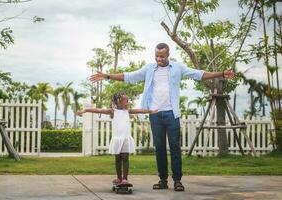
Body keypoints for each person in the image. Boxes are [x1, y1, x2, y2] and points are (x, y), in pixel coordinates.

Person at [89, 43, 235, 191]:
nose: (159, 59)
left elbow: (199, 74)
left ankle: (177, 180)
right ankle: (163, 180)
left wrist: (221, 74)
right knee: (159, 148)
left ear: (168, 55)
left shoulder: (177, 67)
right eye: (157, 56)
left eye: (162, 56)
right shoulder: (149, 69)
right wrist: (107, 76)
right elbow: (129, 76)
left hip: (172, 114)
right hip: (155, 114)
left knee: (175, 147)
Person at [77, 92, 157, 185]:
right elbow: (98, 110)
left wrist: (151, 111)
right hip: (117, 138)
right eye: (125, 100)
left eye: (127, 100)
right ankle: (119, 178)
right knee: (118, 158)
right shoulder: (113, 111)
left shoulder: (127, 111)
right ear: (118, 101)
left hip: (126, 138)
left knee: (125, 157)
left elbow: (140, 110)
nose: (127, 101)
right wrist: (85, 110)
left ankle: (125, 179)